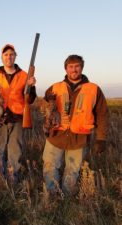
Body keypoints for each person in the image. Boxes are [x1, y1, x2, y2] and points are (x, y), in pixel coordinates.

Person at [42, 54, 108, 196]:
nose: (74, 69)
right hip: (56, 135)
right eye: (70, 67)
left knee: (72, 170)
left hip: (79, 138)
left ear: (82, 68)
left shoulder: (93, 89)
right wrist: (51, 115)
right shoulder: (55, 87)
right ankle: (53, 196)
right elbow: (44, 103)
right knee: (49, 165)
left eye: (77, 66)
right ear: (66, 69)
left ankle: (67, 198)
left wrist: (101, 138)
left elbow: (102, 114)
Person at [0, 44, 37, 183]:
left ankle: (13, 180)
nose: (9, 57)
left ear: (15, 56)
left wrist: (31, 86)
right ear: (2, 57)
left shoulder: (25, 76)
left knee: (15, 151)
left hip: (17, 118)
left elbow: (31, 99)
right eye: (6, 54)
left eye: (11, 54)